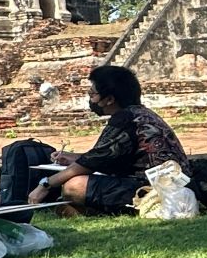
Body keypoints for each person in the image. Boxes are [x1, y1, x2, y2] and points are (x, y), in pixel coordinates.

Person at [15, 64, 188, 214]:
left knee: (74, 186)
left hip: (155, 188)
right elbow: (104, 156)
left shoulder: (124, 120)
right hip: (172, 185)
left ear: (109, 99)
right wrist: (73, 158)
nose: (91, 99)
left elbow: (91, 163)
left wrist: (45, 184)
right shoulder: (141, 113)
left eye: (93, 94)